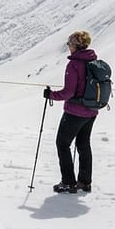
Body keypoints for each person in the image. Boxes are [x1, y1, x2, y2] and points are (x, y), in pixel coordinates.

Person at [44, 30, 99, 194]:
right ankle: (85, 182)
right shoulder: (92, 61)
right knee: (83, 145)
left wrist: (51, 95)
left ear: (76, 45)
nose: (68, 46)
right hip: (91, 111)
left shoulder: (74, 64)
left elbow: (69, 92)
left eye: (70, 43)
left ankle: (68, 182)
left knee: (62, 144)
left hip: (75, 111)